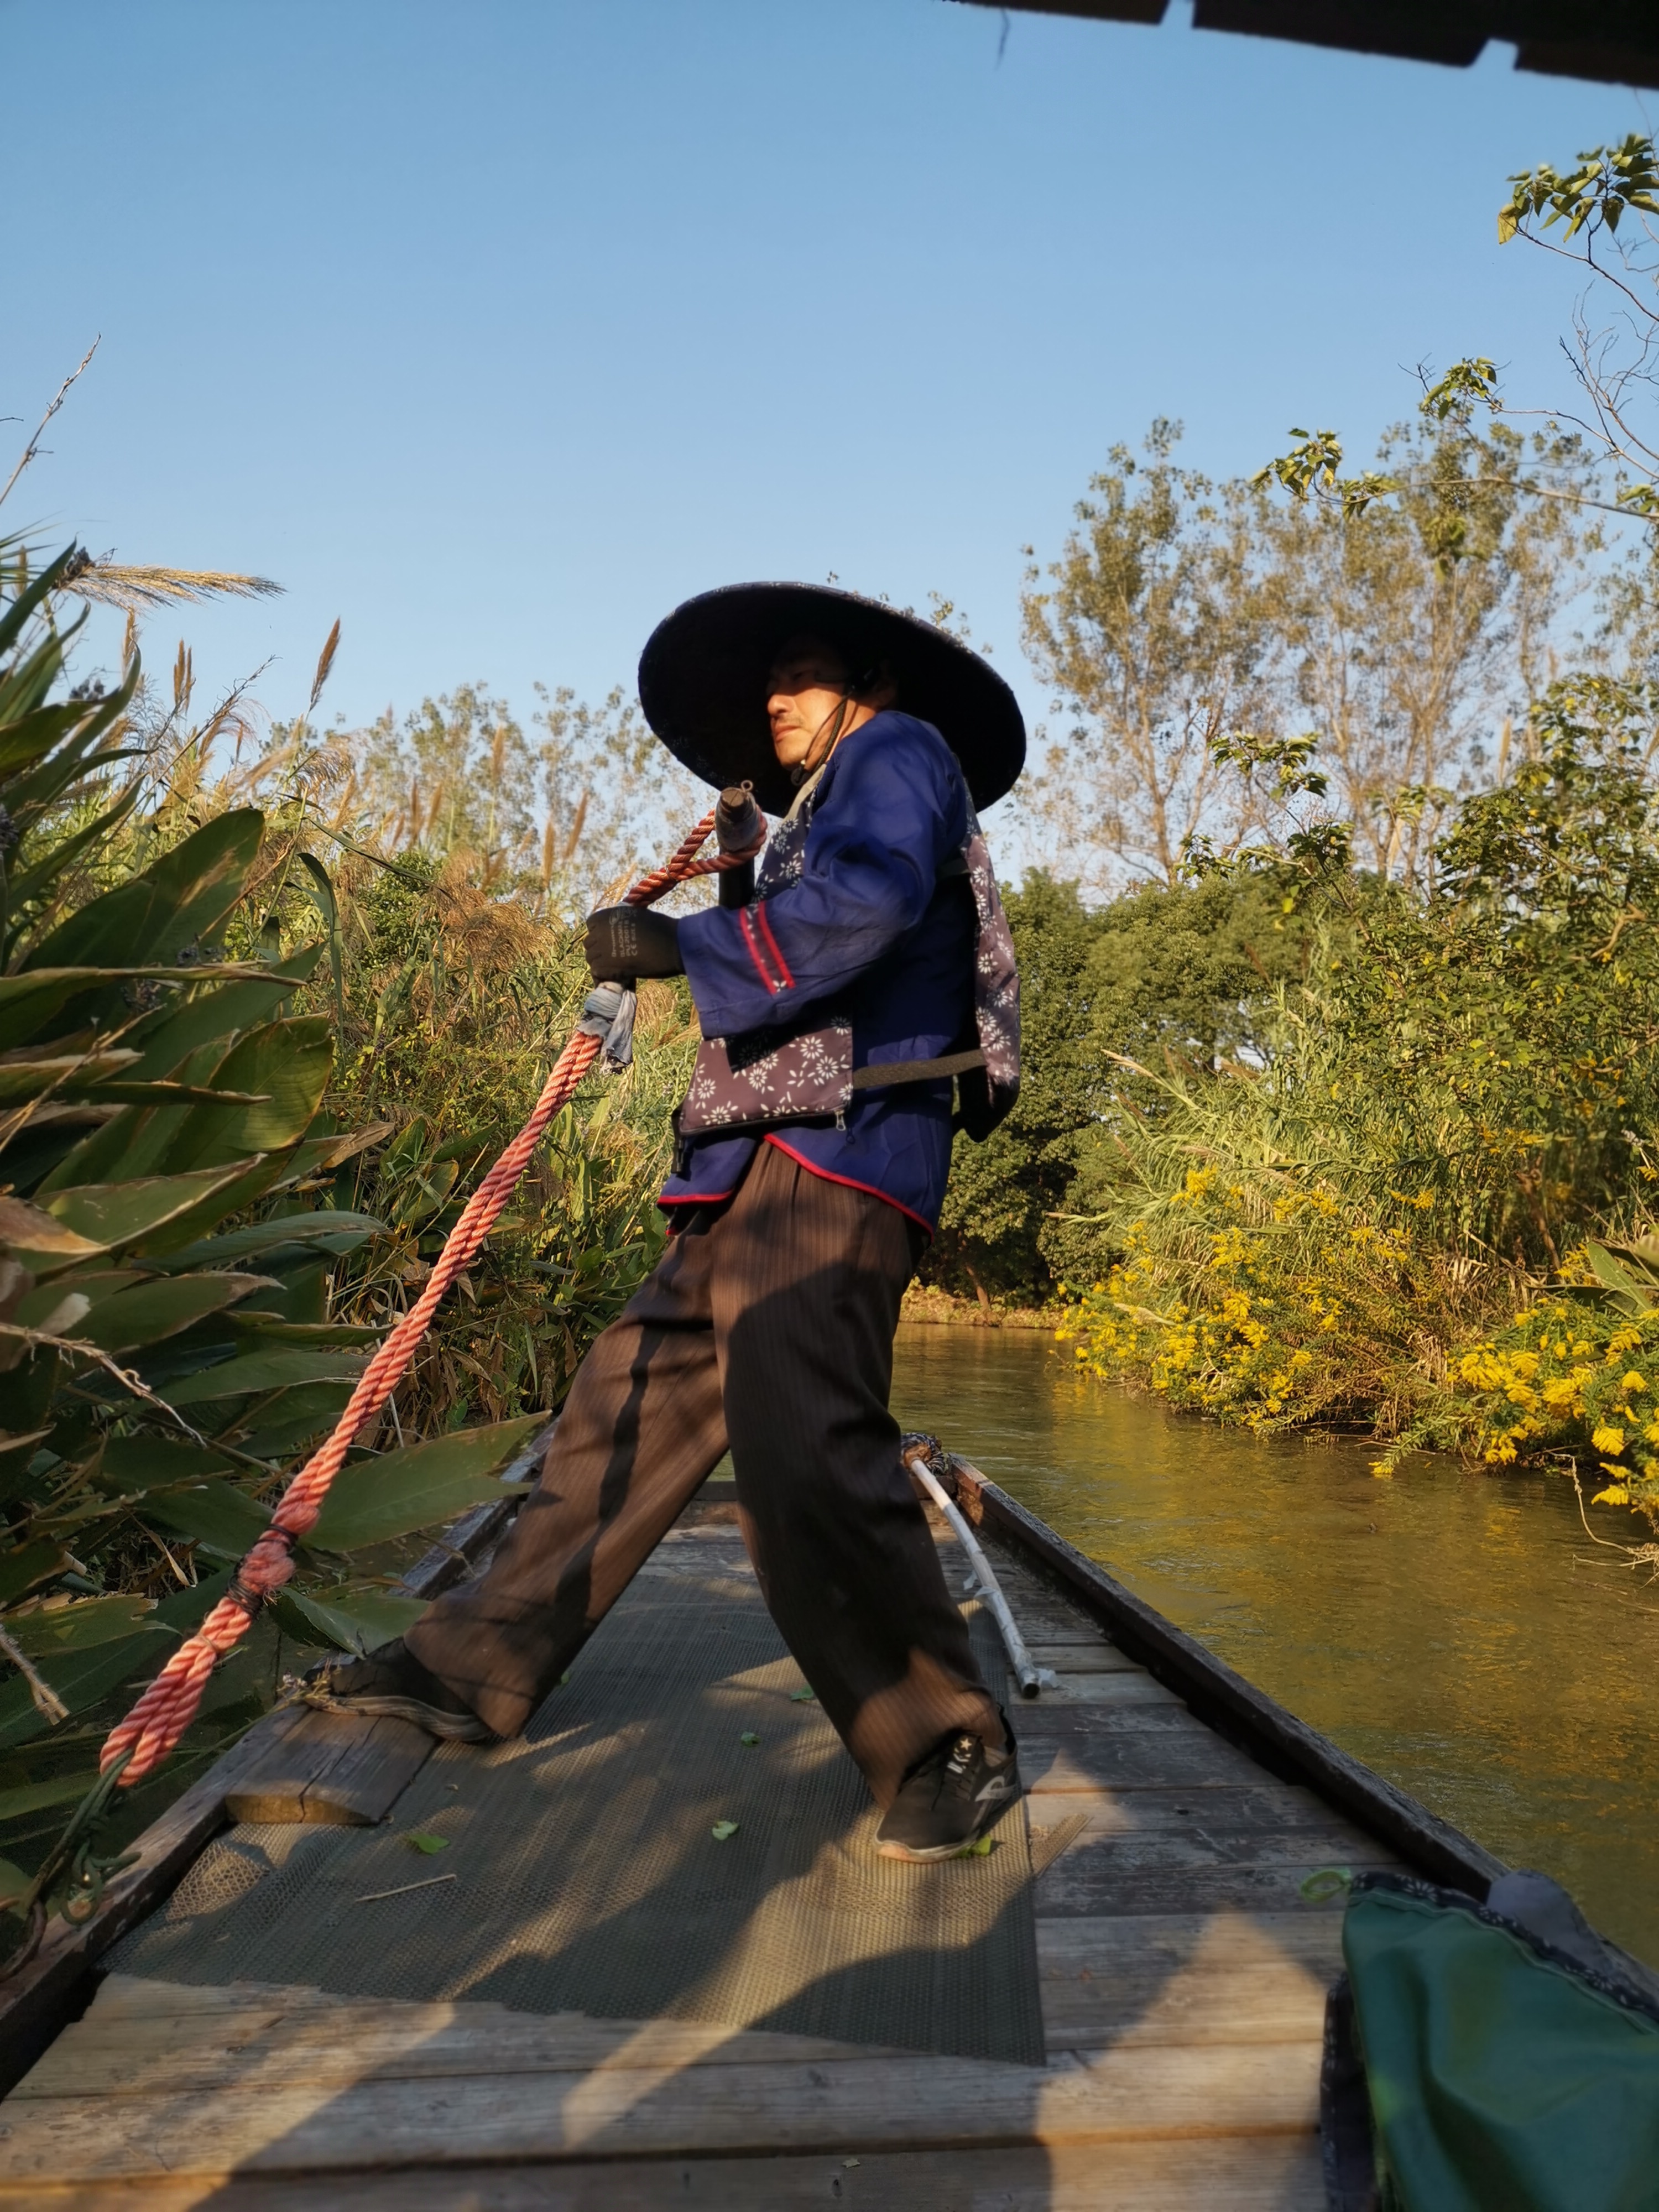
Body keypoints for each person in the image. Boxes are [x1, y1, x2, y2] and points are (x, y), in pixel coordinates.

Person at [309, 582, 1026, 1861]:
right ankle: (478, 1659)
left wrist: (680, 946)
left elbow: (860, 905)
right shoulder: (803, 805)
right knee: (625, 1400)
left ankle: (938, 1734)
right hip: (760, 1162)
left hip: (847, 1153)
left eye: (800, 674)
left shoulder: (898, 752)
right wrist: (734, 870)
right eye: (772, 685)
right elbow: (799, 902)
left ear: (875, 684)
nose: (775, 699)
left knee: (800, 1422)